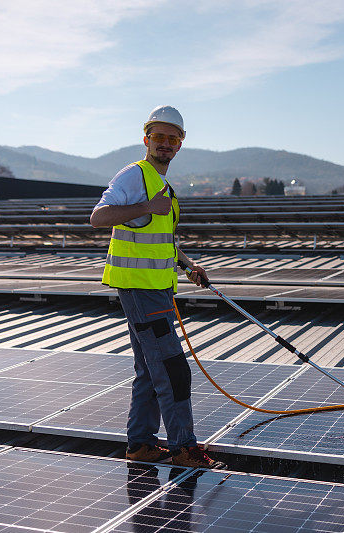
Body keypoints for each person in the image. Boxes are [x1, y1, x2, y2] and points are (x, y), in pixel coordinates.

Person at [90, 105, 220, 468]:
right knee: (173, 370)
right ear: (146, 139)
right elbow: (98, 217)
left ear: (179, 145)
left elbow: (160, 238)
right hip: (140, 290)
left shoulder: (164, 186)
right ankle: (184, 448)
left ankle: (140, 445)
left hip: (157, 288)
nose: (165, 143)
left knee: (150, 369)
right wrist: (146, 205)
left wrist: (188, 264)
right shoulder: (135, 177)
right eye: (158, 137)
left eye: (172, 138)